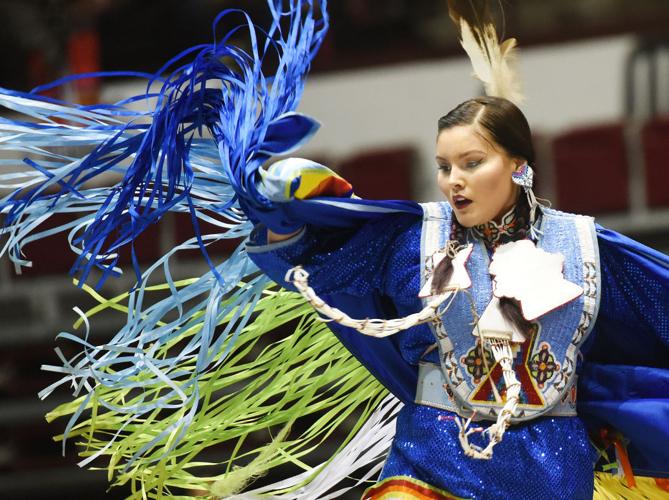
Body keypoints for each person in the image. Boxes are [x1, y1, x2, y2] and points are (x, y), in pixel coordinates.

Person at [0, 0, 667, 498]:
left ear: (517, 167)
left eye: (472, 163)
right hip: (434, 458)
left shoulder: (583, 249)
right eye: (445, 165)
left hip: (553, 467)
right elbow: (322, 262)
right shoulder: (415, 239)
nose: (453, 180)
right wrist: (284, 209)